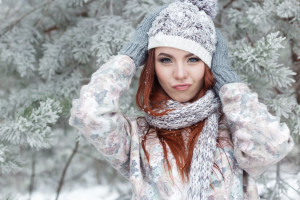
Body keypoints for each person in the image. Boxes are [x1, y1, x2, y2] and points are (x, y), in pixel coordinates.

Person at [69, 0, 294, 199]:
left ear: (209, 64)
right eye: (166, 60)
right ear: (152, 66)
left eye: (193, 59)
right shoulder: (136, 138)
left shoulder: (234, 130)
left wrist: (226, 80)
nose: (179, 74)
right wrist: (130, 55)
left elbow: (273, 145)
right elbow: (89, 113)